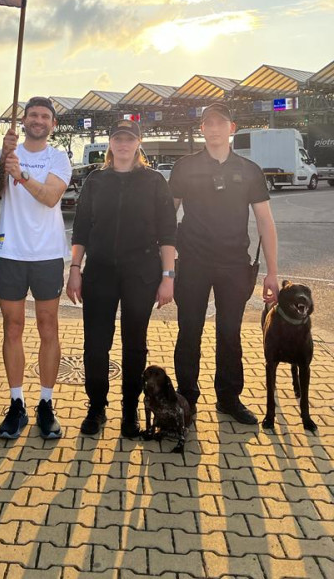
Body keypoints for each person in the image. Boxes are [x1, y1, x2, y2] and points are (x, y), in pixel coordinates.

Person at [170, 102, 279, 425]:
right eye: (209, 123)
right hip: (192, 262)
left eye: (221, 123)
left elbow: (265, 221)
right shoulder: (185, 167)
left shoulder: (249, 170)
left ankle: (229, 398)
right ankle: (186, 399)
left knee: (230, 332)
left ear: (232, 128)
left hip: (234, 264)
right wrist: (165, 264)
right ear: (202, 129)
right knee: (189, 330)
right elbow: (167, 215)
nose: (214, 128)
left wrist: (272, 272)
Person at [66, 120, 178, 437]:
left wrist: (168, 276)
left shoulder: (154, 181)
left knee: (134, 346)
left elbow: (168, 233)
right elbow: (81, 229)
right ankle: (96, 407)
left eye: (129, 139)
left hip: (141, 273)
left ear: (138, 143)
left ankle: (130, 411)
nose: (124, 144)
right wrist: (74, 268)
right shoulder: (95, 181)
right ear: (110, 143)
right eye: (118, 139)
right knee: (95, 345)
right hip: (99, 272)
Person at [0, 96, 72, 440]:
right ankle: (16, 403)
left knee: (48, 327)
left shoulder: (58, 157)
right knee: (12, 327)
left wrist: (21, 174)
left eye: (44, 116)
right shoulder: (9, 152)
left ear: (53, 124)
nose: (38, 120)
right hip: (10, 253)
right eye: (32, 115)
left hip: (47, 255)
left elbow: (51, 197)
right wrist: (4, 158)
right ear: (23, 121)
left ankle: (46, 403)